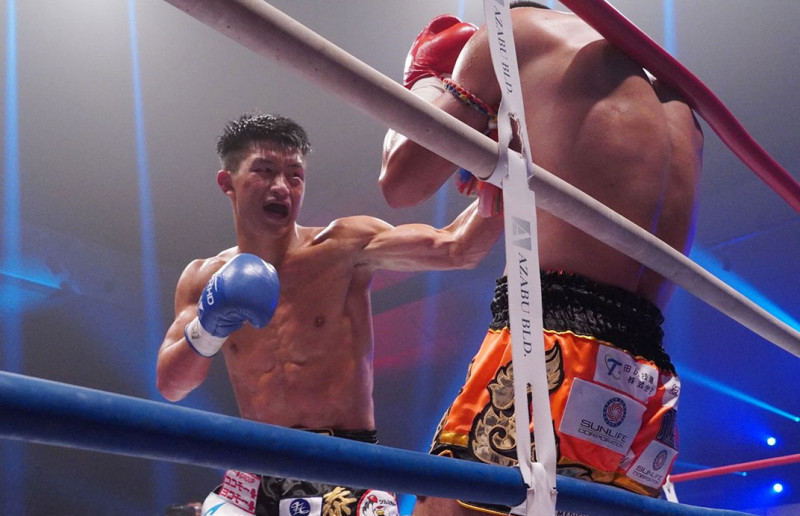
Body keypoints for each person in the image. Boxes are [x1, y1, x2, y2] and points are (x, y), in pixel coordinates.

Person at [380, 3, 703, 515]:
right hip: (646, 378)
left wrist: (427, 81)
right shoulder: (675, 98)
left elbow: (401, 182)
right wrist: (499, 158)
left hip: (550, 351)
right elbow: (469, 243)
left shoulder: (512, 32)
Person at [156, 113, 504, 516]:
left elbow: (458, 248)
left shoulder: (343, 246)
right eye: (264, 171)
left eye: (295, 175)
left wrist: (499, 178)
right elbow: (171, 385)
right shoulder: (203, 278)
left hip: (345, 465)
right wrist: (209, 325)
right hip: (256, 473)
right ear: (227, 183)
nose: (281, 187)